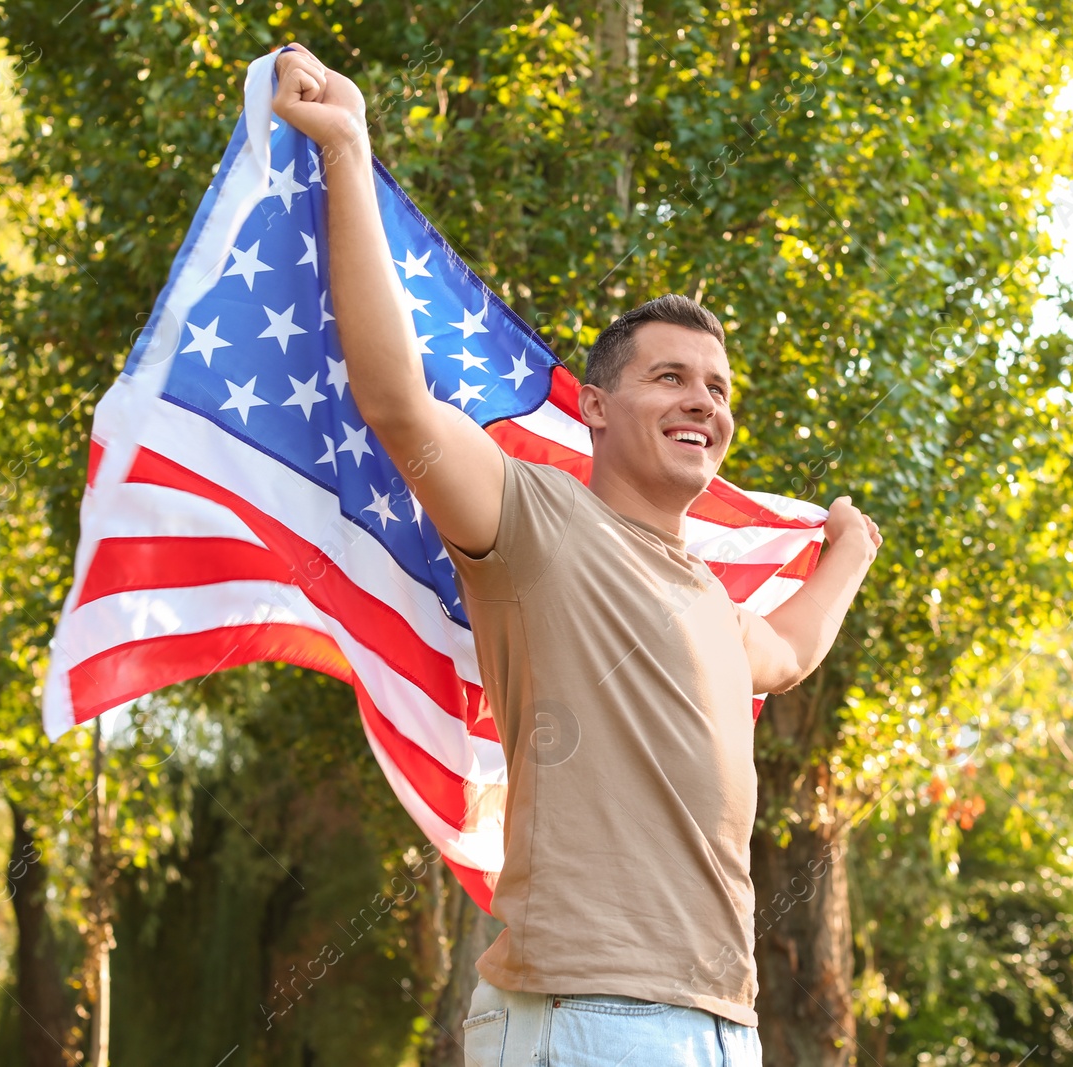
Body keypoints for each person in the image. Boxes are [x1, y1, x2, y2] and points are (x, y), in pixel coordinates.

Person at [272, 43, 881, 1067]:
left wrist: (850, 552)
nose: (704, 401)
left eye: (720, 388)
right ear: (595, 410)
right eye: (672, 378)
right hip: (593, 1018)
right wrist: (348, 145)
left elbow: (788, 650)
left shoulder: (712, 606)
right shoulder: (537, 526)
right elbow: (396, 402)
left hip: (723, 1021)